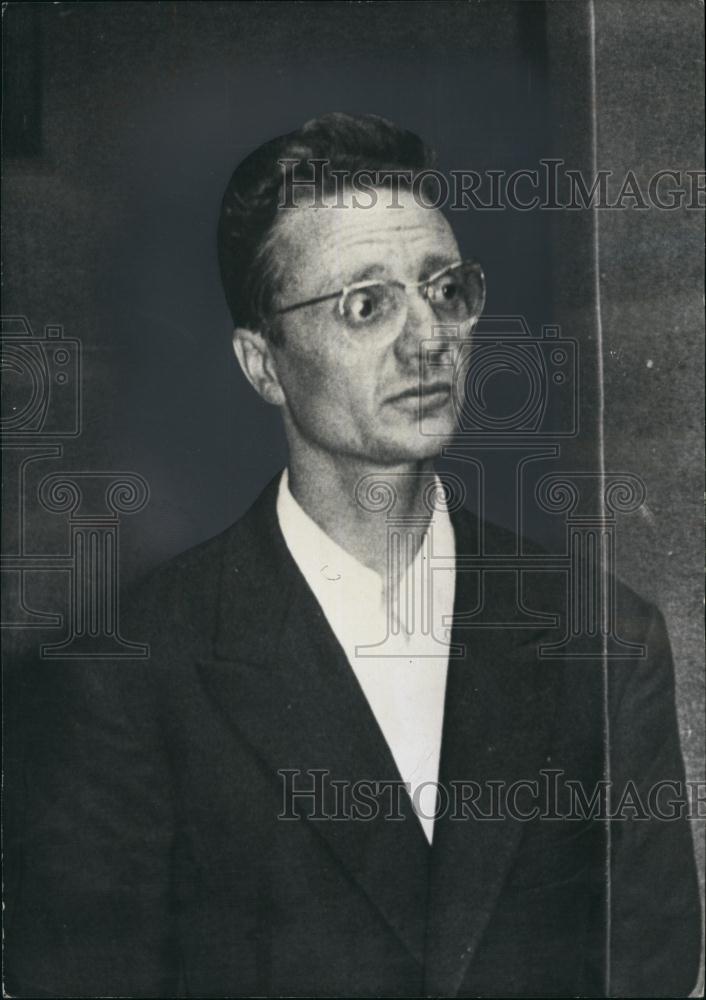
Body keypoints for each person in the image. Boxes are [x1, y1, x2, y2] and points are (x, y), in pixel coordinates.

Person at [6, 113, 701, 998]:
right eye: (366, 305)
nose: (429, 339)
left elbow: (650, 971)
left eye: (444, 291)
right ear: (264, 365)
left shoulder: (606, 639)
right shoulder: (125, 671)